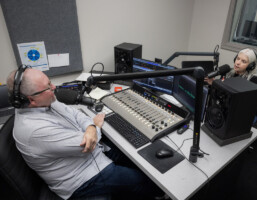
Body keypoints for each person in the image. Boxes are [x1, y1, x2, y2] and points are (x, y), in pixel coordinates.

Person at [6, 66, 164, 200]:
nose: (54, 87)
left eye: (50, 82)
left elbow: (76, 115)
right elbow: (88, 144)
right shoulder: (34, 131)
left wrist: (90, 127)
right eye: (48, 87)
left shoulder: (45, 101)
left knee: (136, 159)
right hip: (83, 179)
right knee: (142, 180)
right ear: (30, 100)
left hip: (93, 155)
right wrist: (93, 127)